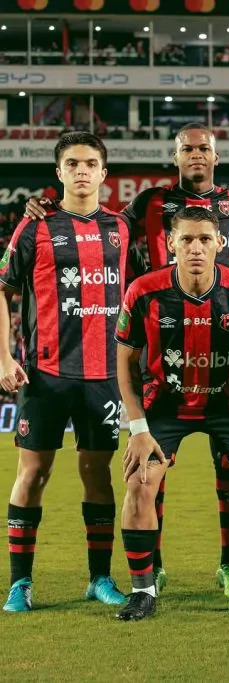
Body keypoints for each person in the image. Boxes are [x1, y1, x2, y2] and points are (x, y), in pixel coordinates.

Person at [24, 122, 229, 597]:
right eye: (187, 150)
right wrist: (47, 206)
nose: (196, 156)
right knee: (152, 460)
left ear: (216, 156)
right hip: (159, 339)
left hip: (222, 340)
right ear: (174, 157)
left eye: (204, 149)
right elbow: (101, 226)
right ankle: (150, 567)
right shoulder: (150, 204)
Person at [112, 206, 229, 620]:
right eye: (186, 239)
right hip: (164, 407)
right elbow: (125, 363)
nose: (196, 248)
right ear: (171, 243)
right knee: (140, 481)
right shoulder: (143, 292)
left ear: (220, 243)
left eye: (205, 239)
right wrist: (137, 427)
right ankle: (143, 591)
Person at [1, 132, 131, 612]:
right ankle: (21, 583)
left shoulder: (121, 228)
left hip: (104, 374)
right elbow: (3, 287)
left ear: (103, 173)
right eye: (72, 163)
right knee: (33, 474)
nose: (82, 170)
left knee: (98, 475)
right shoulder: (33, 227)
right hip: (45, 373)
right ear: (59, 173)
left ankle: (99, 578)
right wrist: (2, 357)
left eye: (91, 163)